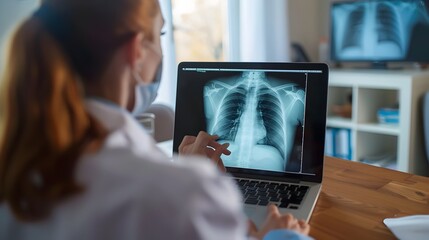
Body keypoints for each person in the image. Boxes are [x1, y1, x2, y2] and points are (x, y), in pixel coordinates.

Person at [0, 0, 311, 239]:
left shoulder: (16, 161)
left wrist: (177, 170)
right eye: (160, 34)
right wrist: (281, 236)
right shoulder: (184, 195)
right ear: (136, 51)